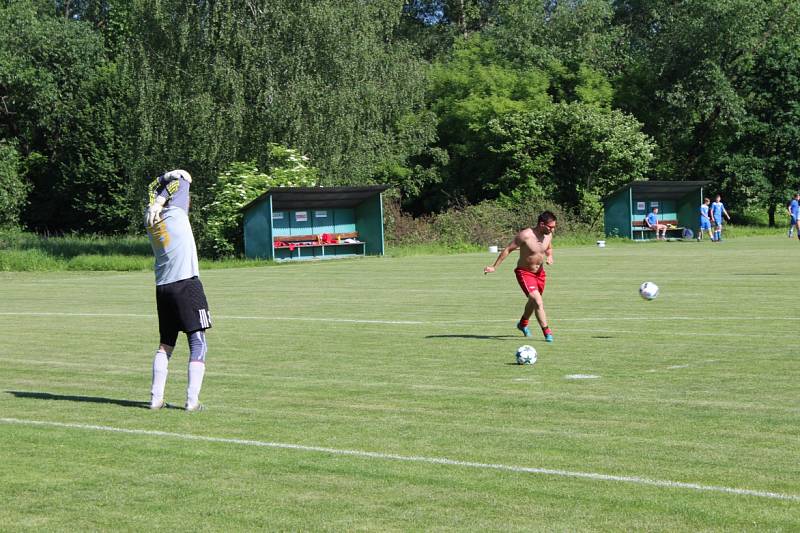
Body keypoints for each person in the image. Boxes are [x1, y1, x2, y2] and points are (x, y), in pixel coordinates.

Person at [144, 169, 211, 412]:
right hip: (187, 285)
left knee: (166, 344)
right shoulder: (176, 214)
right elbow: (183, 182)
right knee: (198, 343)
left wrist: (161, 183)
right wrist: (175, 175)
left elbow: (153, 189)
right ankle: (192, 402)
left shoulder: (150, 218)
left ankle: (155, 398)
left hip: (163, 287)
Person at [484, 211, 556, 342]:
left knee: (533, 301)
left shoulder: (549, 234)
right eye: (550, 227)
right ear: (541, 224)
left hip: (540, 274)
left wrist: (550, 256)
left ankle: (523, 324)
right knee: (538, 301)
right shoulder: (525, 235)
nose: (553, 229)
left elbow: (549, 248)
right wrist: (494, 266)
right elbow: (508, 249)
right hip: (525, 273)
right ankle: (547, 332)